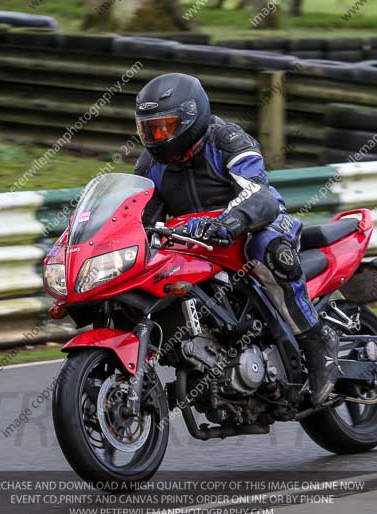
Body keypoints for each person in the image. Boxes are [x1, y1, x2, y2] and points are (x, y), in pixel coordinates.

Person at [134, 73, 340, 405]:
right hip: (198, 242)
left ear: (192, 116)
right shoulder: (150, 166)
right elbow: (143, 218)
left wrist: (230, 222)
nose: (157, 138)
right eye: (149, 129)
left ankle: (318, 341)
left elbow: (260, 195)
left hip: (257, 222)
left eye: (165, 128)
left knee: (267, 249)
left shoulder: (226, 139)